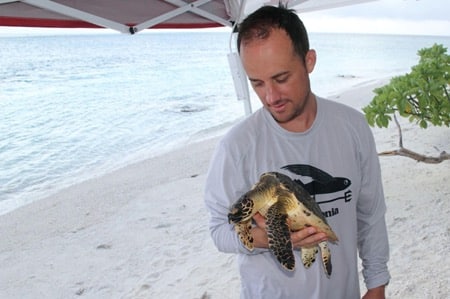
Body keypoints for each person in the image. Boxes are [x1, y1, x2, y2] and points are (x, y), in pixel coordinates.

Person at [204, 4, 390, 299]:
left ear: (309, 60)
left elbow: (370, 213)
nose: (270, 96)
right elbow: (218, 229)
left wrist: (377, 283)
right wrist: (268, 238)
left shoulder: (352, 127)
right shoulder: (237, 146)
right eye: (257, 83)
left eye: (281, 78)